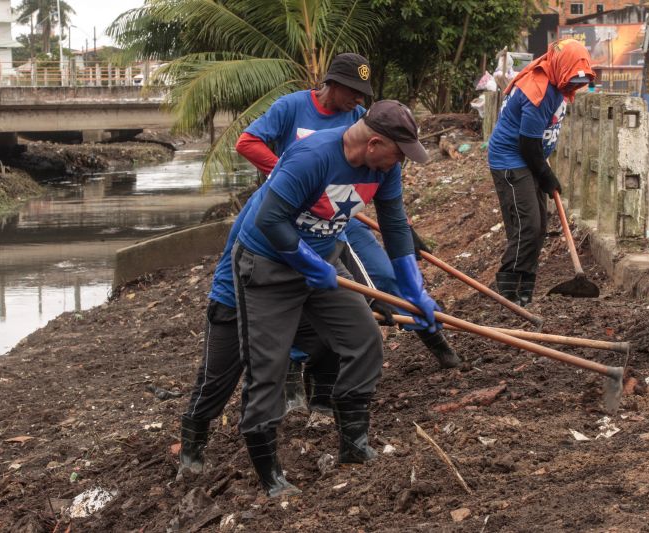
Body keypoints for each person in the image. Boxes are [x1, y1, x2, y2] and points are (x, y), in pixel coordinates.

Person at [177, 52, 375, 481]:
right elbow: (249, 146)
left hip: (310, 263)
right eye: (351, 92)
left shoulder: (356, 124)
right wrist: (289, 173)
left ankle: (329, 413)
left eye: (362, 97)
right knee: (221, 377)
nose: (355, 103)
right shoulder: (274, 193)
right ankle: (193, 439)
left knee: (337, 333)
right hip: (255, 277)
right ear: (330, 83)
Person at [232, 101, 437, 497]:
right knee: (267, 368)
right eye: (397, 154)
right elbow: (269, 219)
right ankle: (270, 473)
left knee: (365, 342)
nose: (399, 164)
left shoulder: (386, 167)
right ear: (374, 142)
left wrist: (415, 290)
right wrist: (307, 262)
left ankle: (353, 445)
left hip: (323, 262)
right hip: (269, 268)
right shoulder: (312, 157)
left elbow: (394, 225)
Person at [487, 39, 594, 307]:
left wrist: (543, 170)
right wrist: (545, 174)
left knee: (539, 228)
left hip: (529, 158)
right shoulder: (540, 90)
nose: (574, 87)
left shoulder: (557, 83)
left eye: (578, 82)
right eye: (572, 80)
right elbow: (527, 142)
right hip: (511, 160)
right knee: (527, 227)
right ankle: (508, 293)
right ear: (560, 67)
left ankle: (525, 292)